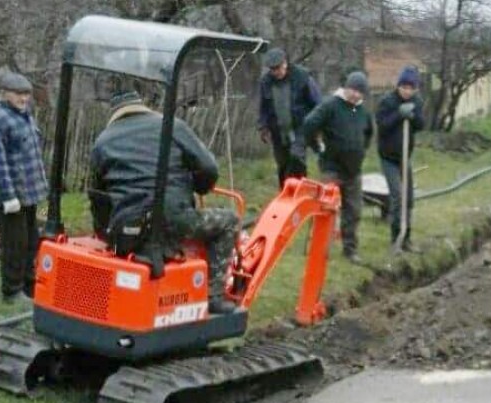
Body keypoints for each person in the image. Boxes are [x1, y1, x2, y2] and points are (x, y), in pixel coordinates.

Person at [89, 91, 238, 314]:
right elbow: (208, 168)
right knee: (229, 221)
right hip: (173, 220)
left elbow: (98, 195)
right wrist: (200, 187)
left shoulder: (103, 141)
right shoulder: (173, 127)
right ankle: (213, 295)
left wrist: (106, 232)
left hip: (126, 226)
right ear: (143, 106)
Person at [0, 71, 48, 304]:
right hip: (11, 195)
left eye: (26, 93)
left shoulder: (23, 114)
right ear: (4, 93)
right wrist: (8, 197)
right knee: (14, 244)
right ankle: (12, 290)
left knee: (30, 242)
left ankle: (29, 286)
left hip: (27, 194)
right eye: (19, 94)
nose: (24, 98)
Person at [303, 71, 373, 262]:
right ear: (346, 87)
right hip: (332, 167)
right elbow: (309, 124)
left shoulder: (362, 111)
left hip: (353, 169)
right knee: (324, 208)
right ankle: (317, 248)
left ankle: (350, 250)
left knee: (354, 210)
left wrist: (360, 151)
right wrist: (318, 147)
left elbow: (368, 133)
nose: (356, 95)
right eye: (353, 90)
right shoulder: (330, 105)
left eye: (360, 92)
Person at [375, 65, 425, 252]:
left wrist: (412, 116)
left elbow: (421, 125)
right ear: (398, 86)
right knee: (397, 196)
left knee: (409, 198)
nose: (407, 91)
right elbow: (382, 125)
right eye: (404, 87)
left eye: (411, 88)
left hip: (405, 157)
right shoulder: (387, 101)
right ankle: (395, 238)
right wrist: (399, 114)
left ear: (415, 89)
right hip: (388, 157)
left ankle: (407, 239)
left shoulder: (417, 101)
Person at [257, 47, 322, 188]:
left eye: (278, 68)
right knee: (283, 164)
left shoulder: (303, 77)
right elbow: (264, 107)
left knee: (296, 157)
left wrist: (318, 127)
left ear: (285, 63)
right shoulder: (266, 82)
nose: (276, 72)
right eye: (272, 69)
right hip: (278, 130)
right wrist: (263, 127)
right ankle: (284, 194)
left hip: (301, 126)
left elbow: (317, 104)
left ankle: (299, 190)